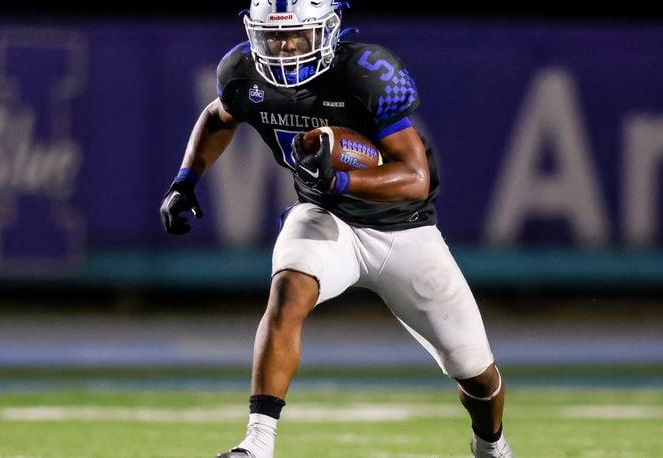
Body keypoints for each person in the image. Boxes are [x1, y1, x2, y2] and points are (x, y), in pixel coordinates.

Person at [159, 1, 516, 457]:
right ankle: (258, 442)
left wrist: (343, 178)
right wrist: (185, 181)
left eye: (296, 35)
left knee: (476, 371)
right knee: (287, 293)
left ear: (327, 31)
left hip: (403, 231)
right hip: (325, 214)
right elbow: (217, 117)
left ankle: (492, 445)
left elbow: (414, 177)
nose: (284, 46)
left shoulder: (365, 72)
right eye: (273, 36)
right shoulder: (243, 73)